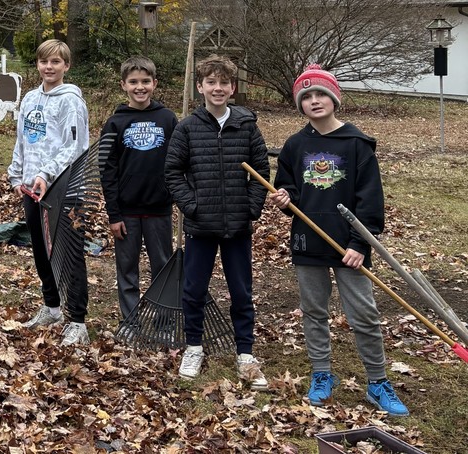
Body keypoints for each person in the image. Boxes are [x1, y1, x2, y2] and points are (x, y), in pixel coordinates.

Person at [268, 64, 408, 416]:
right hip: (308, 241)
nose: (314, 101)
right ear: (300, 104)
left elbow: (370, 200)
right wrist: (285, 199)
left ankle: (377, 381)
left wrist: (361, 244)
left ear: (334, 99)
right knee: (314, 311)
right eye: (307, 96)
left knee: (364, 313)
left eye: (321, 94)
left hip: (350, 245)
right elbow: (290, 191)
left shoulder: (357, 144)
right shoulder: (296, 145)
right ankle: (322, 375)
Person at [164, 55, 270, 389]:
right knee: (194, 289)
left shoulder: (246, 126)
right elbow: (172, 172)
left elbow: (261, 171)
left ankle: (245, 353)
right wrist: (192, 206)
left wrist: (251, 207)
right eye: (211, 82)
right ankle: (193, 346)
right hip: (201, 225)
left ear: (233, 88)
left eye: (224, 83)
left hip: (238, 225)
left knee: (241, 290)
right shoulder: (187, 128)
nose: (218, 88)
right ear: (200, 87)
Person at [8, 39, 91, 346]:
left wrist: (46, 174)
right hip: (32, 190)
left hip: (65, 190)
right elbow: (23, 141)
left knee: (69, 255)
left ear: (66, 66)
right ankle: (52, 307)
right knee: (41, 251)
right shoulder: (29, 98)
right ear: (38, 64)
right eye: (44, 62)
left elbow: (75, 147)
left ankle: (77, 320)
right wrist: (17, 175)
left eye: (56, 62)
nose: (49, 67)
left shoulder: (71, 101)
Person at [99, 56, 177, 324]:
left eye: (145, 81)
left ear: (154, 83)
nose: (139, 87)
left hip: (159, 209)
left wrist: (177, 197)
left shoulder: (167, 119)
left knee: (163, 268)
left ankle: (163, 320)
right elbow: (107, 170)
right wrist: (114, 214)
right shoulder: (114, 123)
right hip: (126, 212)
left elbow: (178, 162)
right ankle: (130, 321)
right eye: (133, 82)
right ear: (123, 85)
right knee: (127, 269)